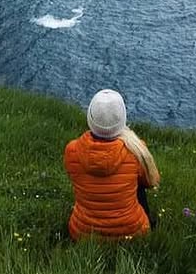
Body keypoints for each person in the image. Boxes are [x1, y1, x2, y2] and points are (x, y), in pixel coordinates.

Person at [63, 89, 161, 240]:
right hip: (133, 233)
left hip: (83, 235)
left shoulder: (72, 150)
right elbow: (150, 182)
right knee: (137, 181)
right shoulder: (135, 150)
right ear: (122, 119)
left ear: (90, 117)